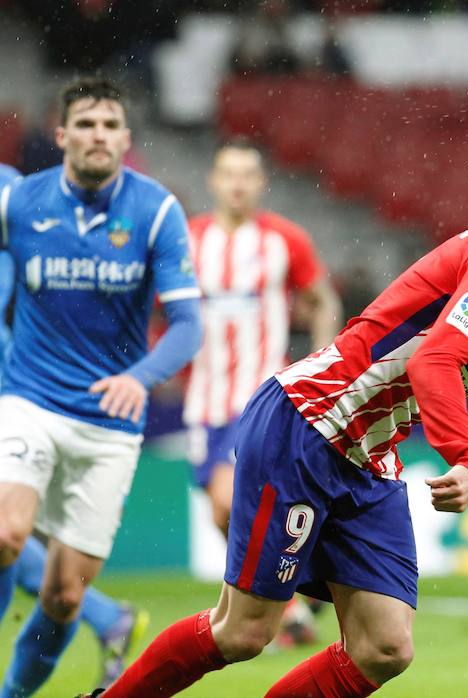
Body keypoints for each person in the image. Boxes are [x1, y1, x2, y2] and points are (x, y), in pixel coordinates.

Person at [92, 187, 468, 697]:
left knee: (384, 646)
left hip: (370, 457)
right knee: (243, 633)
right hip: (308, 425)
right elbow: (435, 361)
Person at [0, 76, 202, 696]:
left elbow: (189, 326)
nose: (98, 136)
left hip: (109, 422)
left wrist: (140, 379)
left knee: (63, 597)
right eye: (85, 124)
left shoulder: (157, 211)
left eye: (110, 125)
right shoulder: (21, 204)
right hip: (29, 399)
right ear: (61, 136)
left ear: (126, 139)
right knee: (6, 533)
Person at [184, 140, 341, 644]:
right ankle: (298, 593)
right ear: (213, 180)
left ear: (261, 183)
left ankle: (283, 607)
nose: (237, 183)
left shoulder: (283, 240)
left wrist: (321, 358)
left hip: (262, 396)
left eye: (247, 174)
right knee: (219, 510)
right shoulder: (188, 240)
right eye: (228, 173)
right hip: (205, 397)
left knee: (232, 500)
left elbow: (323, 299)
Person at [0, 161, 149, 689]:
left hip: (18, 382)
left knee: (6, 533)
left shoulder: (14, 192)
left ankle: (103, 617)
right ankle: (107, 616)